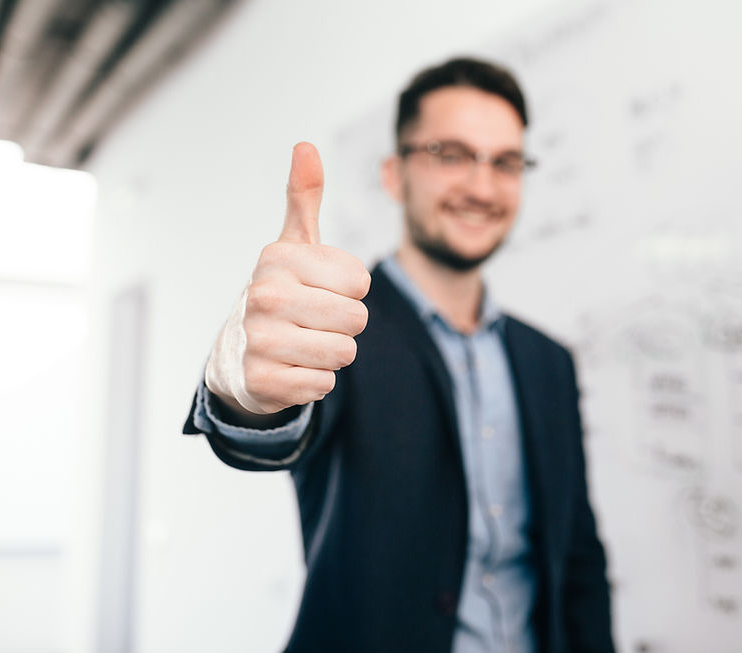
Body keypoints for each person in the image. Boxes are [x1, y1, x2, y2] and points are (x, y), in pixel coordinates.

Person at [184, 57, 615, 653]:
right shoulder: (336, 326)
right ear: (394, 175)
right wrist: (241, 391)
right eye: (452, 154)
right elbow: (267, 425)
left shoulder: (549, 362)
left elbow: (578, 558)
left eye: (506, 163)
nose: (482, 187)